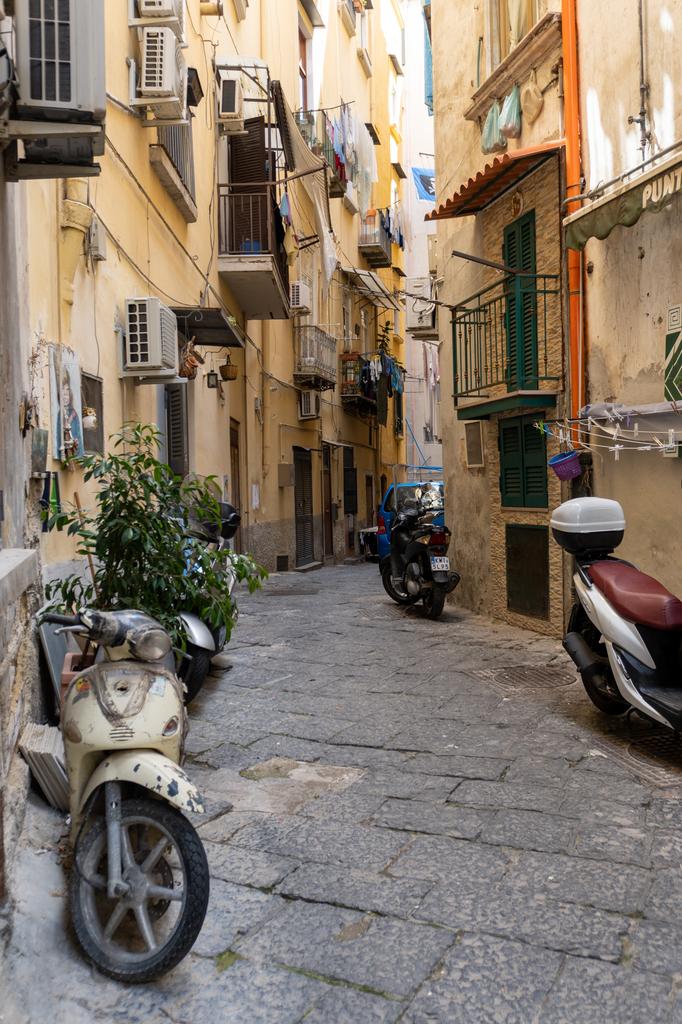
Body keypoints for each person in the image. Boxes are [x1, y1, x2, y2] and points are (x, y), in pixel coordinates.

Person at [57, 367, 83, 457]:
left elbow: (78, 434)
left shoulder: (74, 414)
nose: (65, 397)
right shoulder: (59, 413)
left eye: (67, 394)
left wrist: (76, 441)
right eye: (63, 394)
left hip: (73, 450)